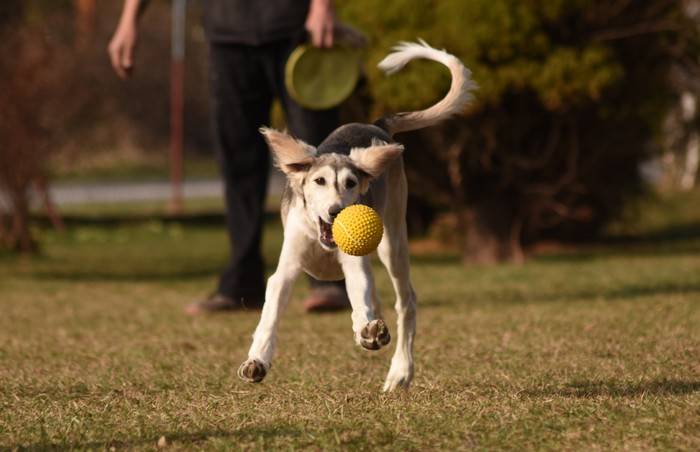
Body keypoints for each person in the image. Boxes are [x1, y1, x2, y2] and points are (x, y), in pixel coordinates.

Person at [108, 0, 350, 313]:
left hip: (295, 27)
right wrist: (129, 19)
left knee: (320, 159)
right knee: (238, 162)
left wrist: (322, 5)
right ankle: (242, 284)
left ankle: (329, 280)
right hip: (227, 33)